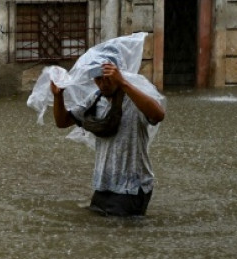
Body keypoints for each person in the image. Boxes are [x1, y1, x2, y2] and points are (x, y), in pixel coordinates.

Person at [50, 47, 166, 217]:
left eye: (108, 79)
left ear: (118, 75)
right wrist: (58, 97)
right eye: (98, 79)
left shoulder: (134, 98)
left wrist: (124, 83)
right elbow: (62, 122)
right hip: (103, 185)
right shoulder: (96, 99)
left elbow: (158, 114)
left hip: (132, 188)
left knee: (121, 237)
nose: (103, 84)